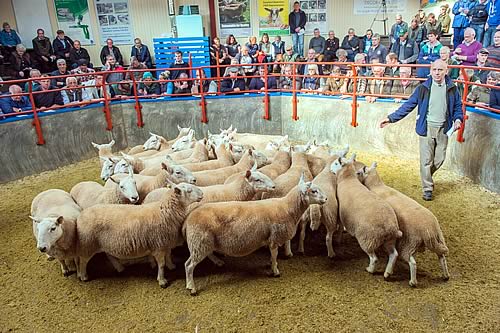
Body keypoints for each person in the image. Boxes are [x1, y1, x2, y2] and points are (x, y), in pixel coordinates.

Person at [379, 59, 463, 201]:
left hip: (444, 128)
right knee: (426, 160)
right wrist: (391, 118)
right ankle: (427, 188)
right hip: (426, 128)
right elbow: (408, 105)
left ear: (446, 71)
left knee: (439, 159)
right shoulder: (423, 88)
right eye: (434, 69)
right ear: (430, 71)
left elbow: (457, 107)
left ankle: (426, 175)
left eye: (440, 70)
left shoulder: (453, 88)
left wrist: (458, 119)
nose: (437, 73)